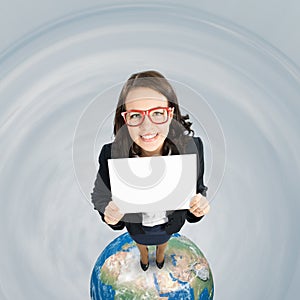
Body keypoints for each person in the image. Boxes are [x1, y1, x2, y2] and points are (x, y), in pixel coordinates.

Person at [91, 70, 210, 271]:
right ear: (125, 119)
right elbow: (100, 197)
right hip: (137, 228)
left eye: (157, 113)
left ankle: (160, 257)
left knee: (163, 242)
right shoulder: (111, 155)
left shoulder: (192, 148)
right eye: (136, 115)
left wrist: (199, 207)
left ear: (170, 113)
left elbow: (196, 193)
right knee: (141, 244)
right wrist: (109, 214)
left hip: (169, 226)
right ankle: (144, 259)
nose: (147, 126)